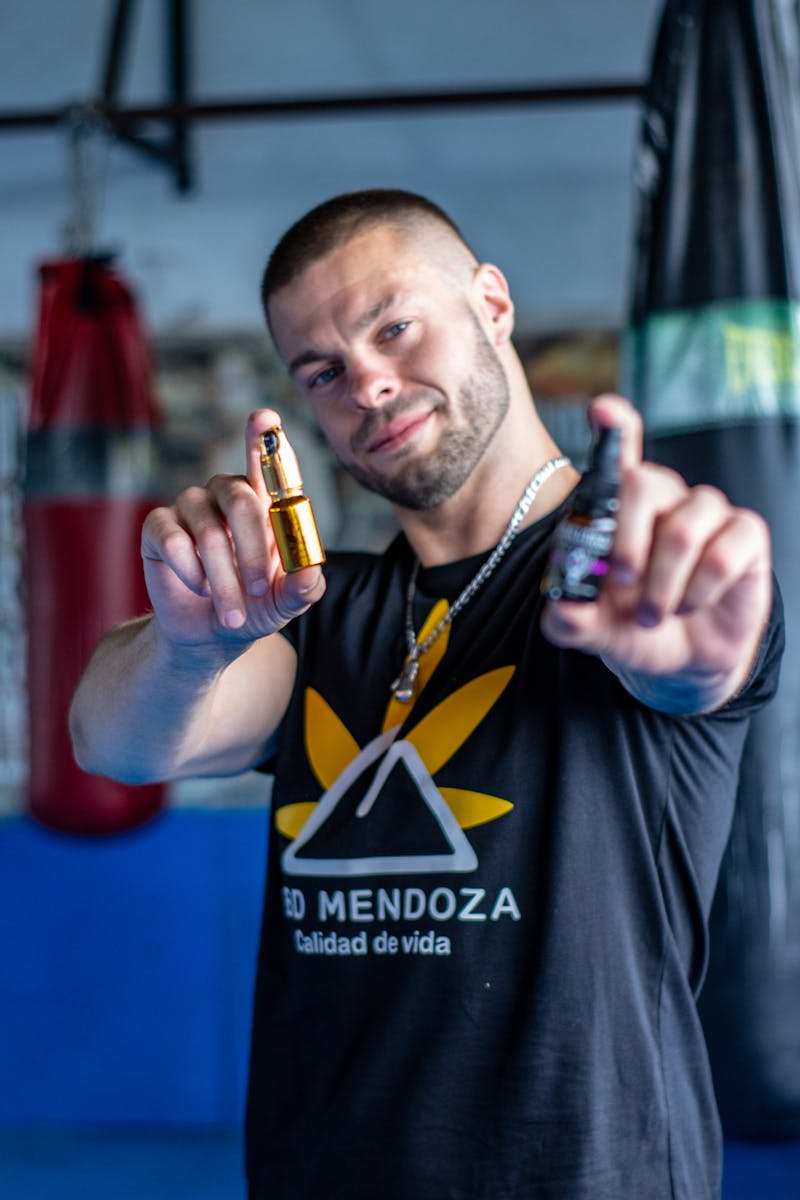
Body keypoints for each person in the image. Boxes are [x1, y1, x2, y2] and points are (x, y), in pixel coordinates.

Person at [70, 189, 783, 1200]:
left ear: (489, 302)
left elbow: (690, 665)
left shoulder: (625, 573)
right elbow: (117, 744)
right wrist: (191, 646)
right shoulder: (317, 609)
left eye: (393, 326)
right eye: (321, 370)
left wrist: (690, 645)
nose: (365, 381)